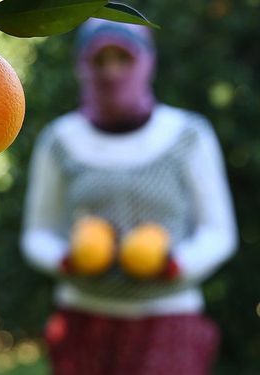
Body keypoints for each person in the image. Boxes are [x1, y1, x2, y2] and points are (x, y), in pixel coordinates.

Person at [21, 19, 238, 375]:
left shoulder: (187, 135)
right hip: (83, 319)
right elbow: (37, 234)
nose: (111, 71)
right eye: (99, 60)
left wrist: (176, 264)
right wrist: (66, 260)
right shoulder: (60, 140)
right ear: (82, 66)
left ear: (146, 62)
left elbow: (219, 233)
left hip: (169, 319)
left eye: (123, 58)